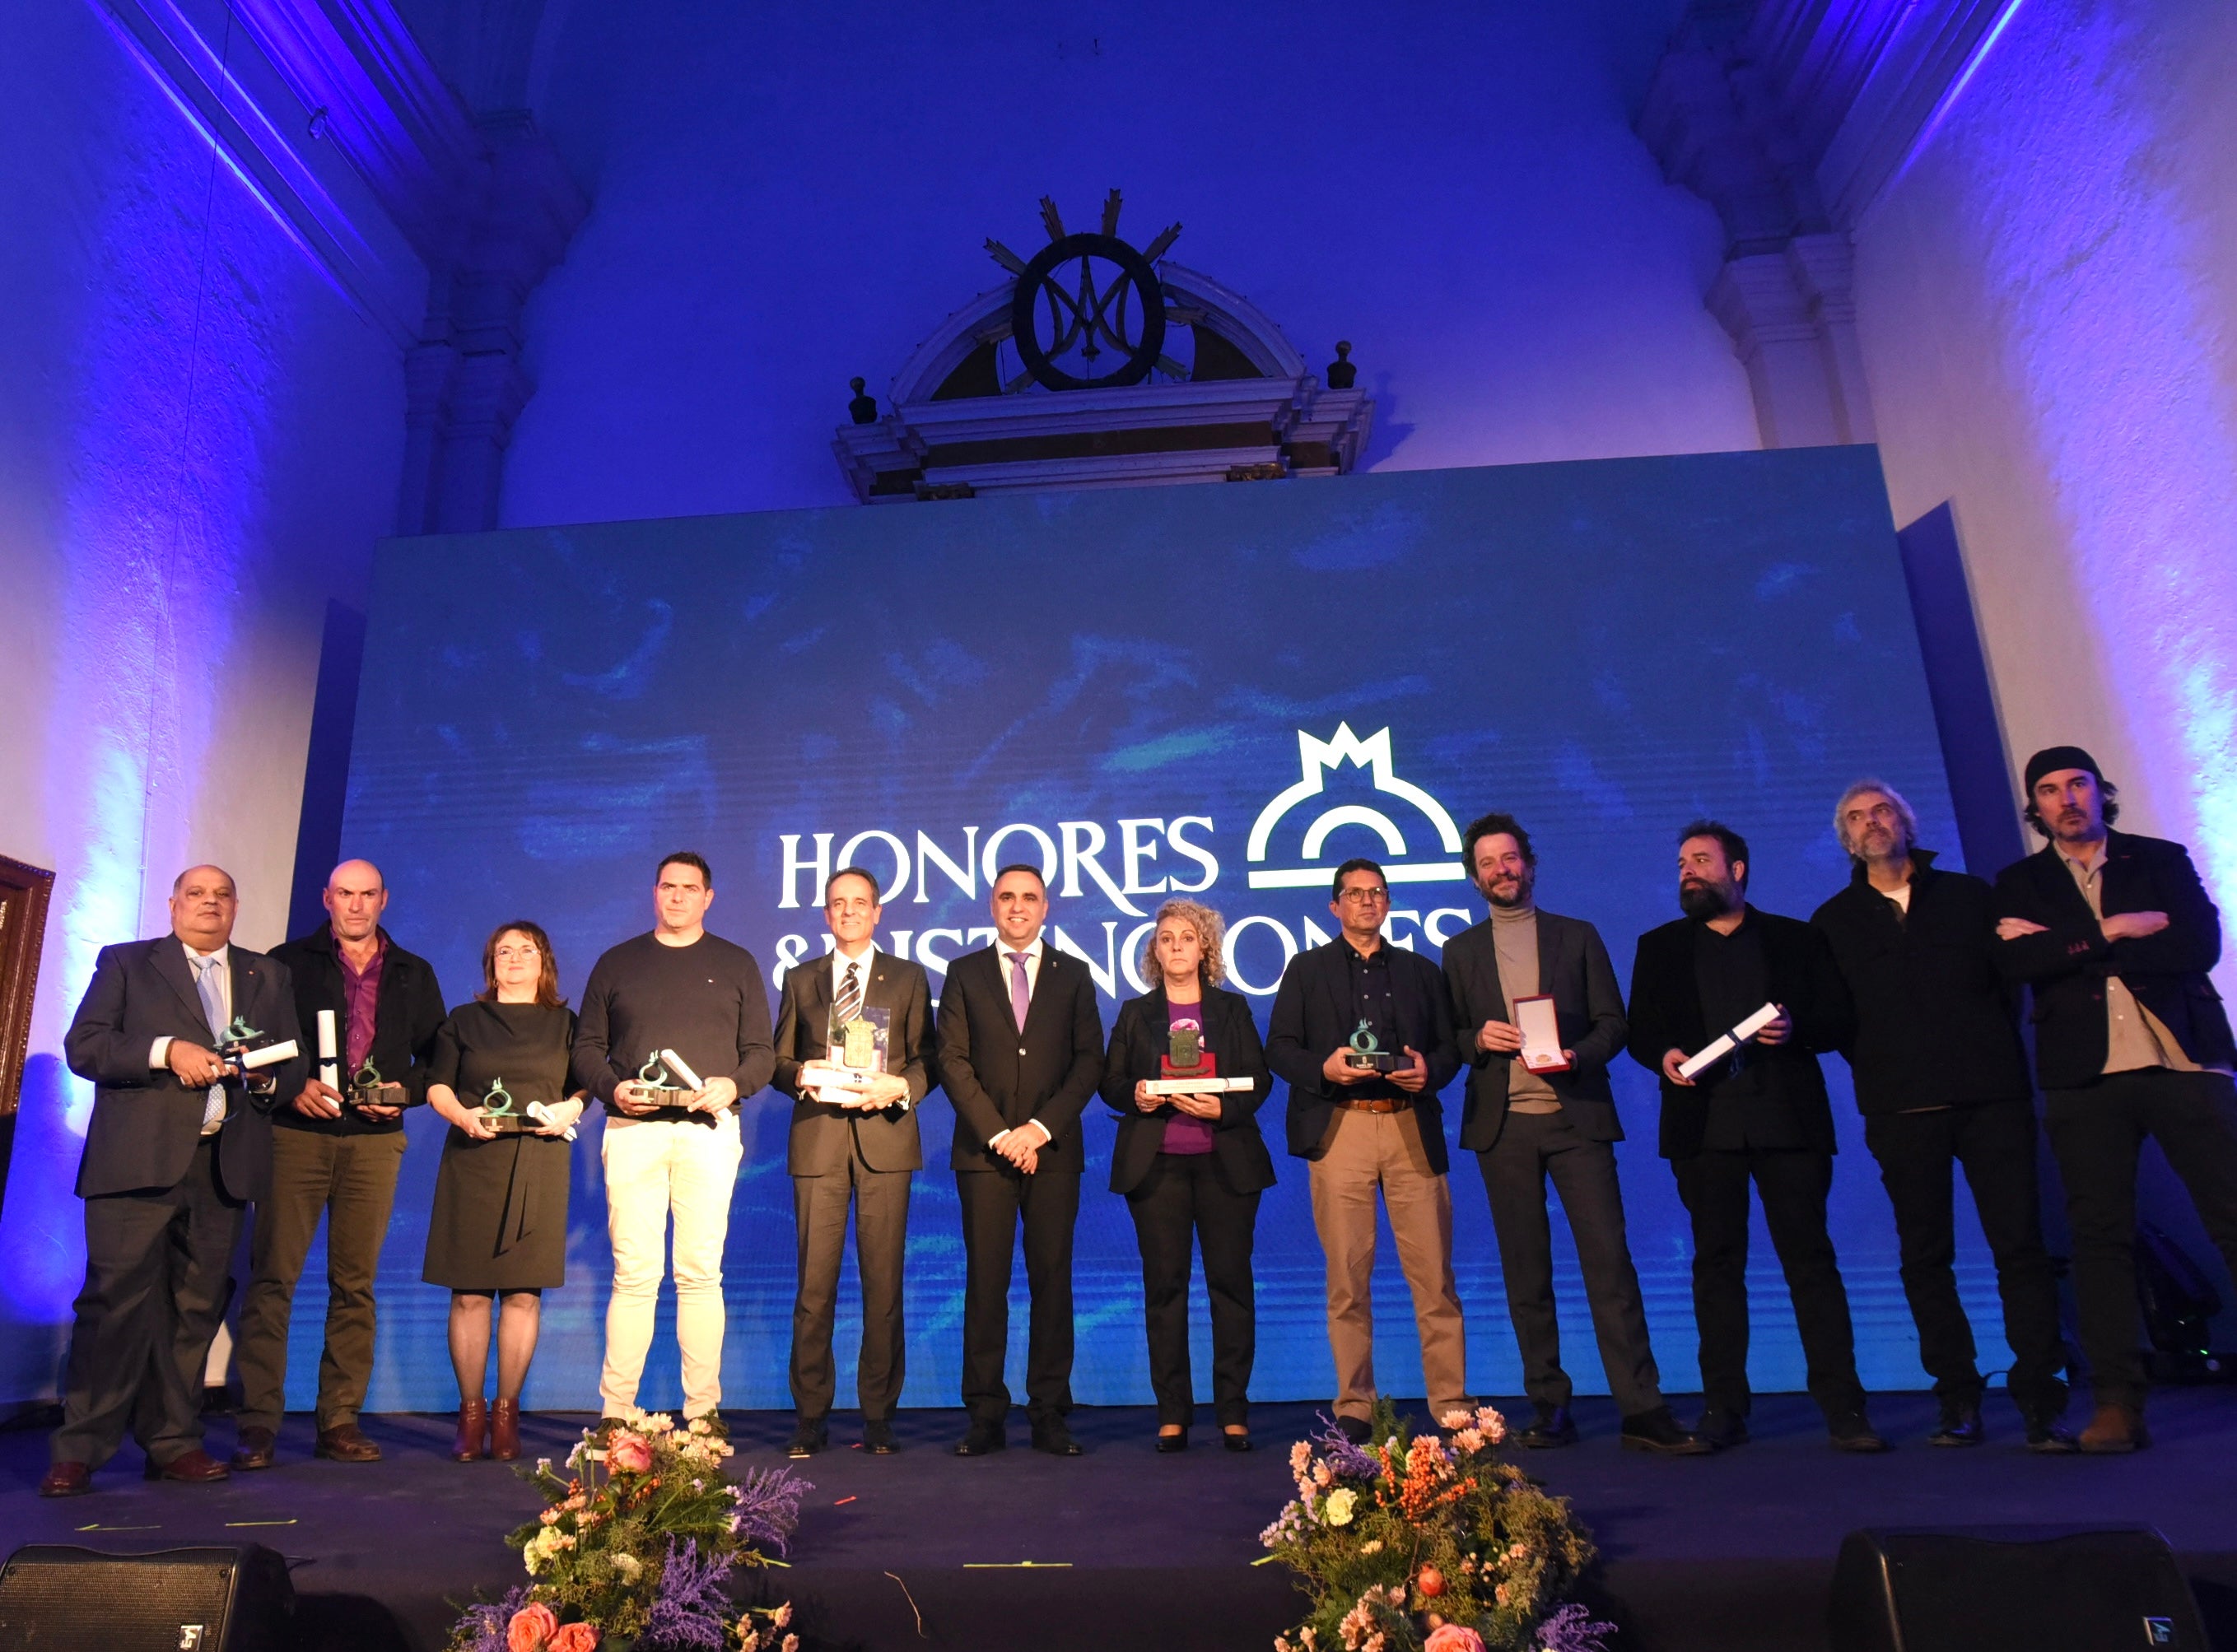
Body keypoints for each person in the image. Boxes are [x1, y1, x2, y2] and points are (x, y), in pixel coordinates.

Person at [1811, 780, 2072, 1450]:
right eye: (1856, 817)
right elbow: (1837, 1018)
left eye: (1882, 811)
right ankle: (1956, 1398)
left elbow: (2005, 988)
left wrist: (1983, 1056)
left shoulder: (1968, 896)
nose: (1871, 823)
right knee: (1925, 1257)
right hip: (1900, 1107)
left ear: (1905, 820)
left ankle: (2042, 1399)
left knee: (2019, 1246)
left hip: (1991, 1098)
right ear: (1846, 838)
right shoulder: (1832, 921)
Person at [1992, 747, 2237, 1453]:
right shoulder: (2019, 882)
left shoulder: (2157, 858)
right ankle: (2117, 1404)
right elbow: (2016, 964)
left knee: (2231, 1215)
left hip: (2181, 1058)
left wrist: (2067, 946)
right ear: (2033, 808)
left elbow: (2196, 944)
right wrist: (2114, 929)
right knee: (2099, 1238)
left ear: (2101, 792)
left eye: (2077, 784)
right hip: (2085, 1077)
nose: (2066, 798)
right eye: (2048, 789)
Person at [1443, 815, 1705, 1455]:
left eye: (1510, 858)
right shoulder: (1459, 951)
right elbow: (1446, 1036)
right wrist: (1476, 1038)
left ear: (1529, 864)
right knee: (1524, 1271)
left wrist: (1574, 1056)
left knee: (1609, 1264)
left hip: (1575, 1118)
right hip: (1501, 1126)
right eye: (1487, 862)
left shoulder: (1576, 935)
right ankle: (1548, 1404)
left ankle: (1641, 1407)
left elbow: (1613, 1024)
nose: (1501, 870)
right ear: (1473, 876)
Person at [43, 866, 305, 1496]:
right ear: (173, 904)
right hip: (135, 1164)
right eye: (196, 894)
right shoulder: (128, 963)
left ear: (236, 907)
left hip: (221, 1166)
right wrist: (166, 1049)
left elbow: (290, 1068)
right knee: (114, 1305)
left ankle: (172, 1441)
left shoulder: (265, 975)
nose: (209, 904)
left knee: (194, 1309)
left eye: (221, 895)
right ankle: (79, 1448)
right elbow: (86, 1047)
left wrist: (265, 1079)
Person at [1625, 821, 1885, 1452]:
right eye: (1682, 861)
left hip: (1786, 1123)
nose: (1687, 870)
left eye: (1701, 860)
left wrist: (1796, 1026)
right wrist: (1662, 1054)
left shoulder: (1796, 939)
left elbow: (1836, 1018)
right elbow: (1640, 1031)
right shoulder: (1658, 946)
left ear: (1736, 870)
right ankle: (1722, 1408)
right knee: (1715, 1267)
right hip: (1703, 1128)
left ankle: (1843, 1409)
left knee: (1810, 1263)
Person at [231, 859, 447, 1470]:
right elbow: (251, 1046)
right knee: (273, 1278)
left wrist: (402, 1093)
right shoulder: (284, 962)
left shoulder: (413, 972)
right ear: (327, 898)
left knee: (355, 1285)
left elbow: (439, 1056)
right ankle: (257, 1423)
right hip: (296, 1135)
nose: (356, 905)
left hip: (374, 1143)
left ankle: (340, 1419)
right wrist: (289, 1086)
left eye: (367, 894)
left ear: (385, 898)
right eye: (345, 894)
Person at [1267, 857, 1466, 1445]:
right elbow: (1279, 1048)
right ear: (1334, 906)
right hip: (1341, 1126)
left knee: (1434, 1277)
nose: (1366, 901)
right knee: (1346, 1278)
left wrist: (1430, 1071)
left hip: (1407, 1124)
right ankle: (1355, 1401)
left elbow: (1451, 1046)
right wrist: (1324, 1069)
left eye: (1376, 892)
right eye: (1353, 893)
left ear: (1388, 902)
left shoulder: (1420, 971)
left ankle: (1451, 1402)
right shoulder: (1306, 970)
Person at [573, 853, 774, 1426]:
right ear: (654, 892)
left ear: (709, 897)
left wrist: (731, 1083)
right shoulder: (618, 962)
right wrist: (614, 1087)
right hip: (633, 1129)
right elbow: (586, 1048)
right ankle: (615, 1411)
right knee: (634, 1273)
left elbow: (761, 1053)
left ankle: (703, 1410)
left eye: (690, 888)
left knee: (699, 1272)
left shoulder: (736, 962)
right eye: (668, 886)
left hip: (708, 1132)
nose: (678, 896)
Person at [936, 863, 1105, 1456]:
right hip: (984, 1157)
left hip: (1053, 1153)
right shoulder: (963, 973)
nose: (1017, 906)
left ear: (1045, 907)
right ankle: (985, 1412)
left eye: (1028, 897)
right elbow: (951, 1062)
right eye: (1007, 896)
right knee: (986, 1284)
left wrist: (1036, 1130)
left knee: (1051, 1282)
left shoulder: (1075, 974)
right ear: (991, 905)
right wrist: (1001, 1135)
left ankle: (1048, 1410)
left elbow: (1089, 1063)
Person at [770, 866, 934, 1457]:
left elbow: (928, 1059)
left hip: (885, 1140)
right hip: (818, 1140)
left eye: (859, 902)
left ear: (877, 911)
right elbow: (776, 1059)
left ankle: (878, 1414)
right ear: (826, 913)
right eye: (837, 903)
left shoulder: (909, 977)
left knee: (883, 1285)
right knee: (814, 1288)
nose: (848, 912)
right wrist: (800, 1074)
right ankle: (811, 1415)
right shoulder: (801, 978)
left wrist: (900, 1087)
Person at [1100, 898, 1275, 1453]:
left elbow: (1259, 1080)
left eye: (1186, 937)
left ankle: (1232, 1411)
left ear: (1205, 949)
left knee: (1230, 1286)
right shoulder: (1134, 1013)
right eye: (1166, 937)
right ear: (1154, 950)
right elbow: (1110, 1083)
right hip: (1157, 1168)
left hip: (1225, 1164)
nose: (1175, 945)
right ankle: (1172, 1412)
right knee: (1165, 1290)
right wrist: (1137, 1094)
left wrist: (1219, 1108)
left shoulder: (1231, 1009)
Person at [422, 921, 584, 1461]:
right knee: (468, 1292)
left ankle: (507, 1414)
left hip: (538, 1159)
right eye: (503, 951)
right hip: (474, 1159)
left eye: (526, 949)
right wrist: (462, 1115)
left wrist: (574, 1106)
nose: (514, 958)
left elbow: (586, 1080)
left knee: (522, 1292)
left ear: (545, 961)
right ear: (490, 963)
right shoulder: (465, 1019)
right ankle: (471, 1417)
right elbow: (438, 1084)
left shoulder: (565, 1022)